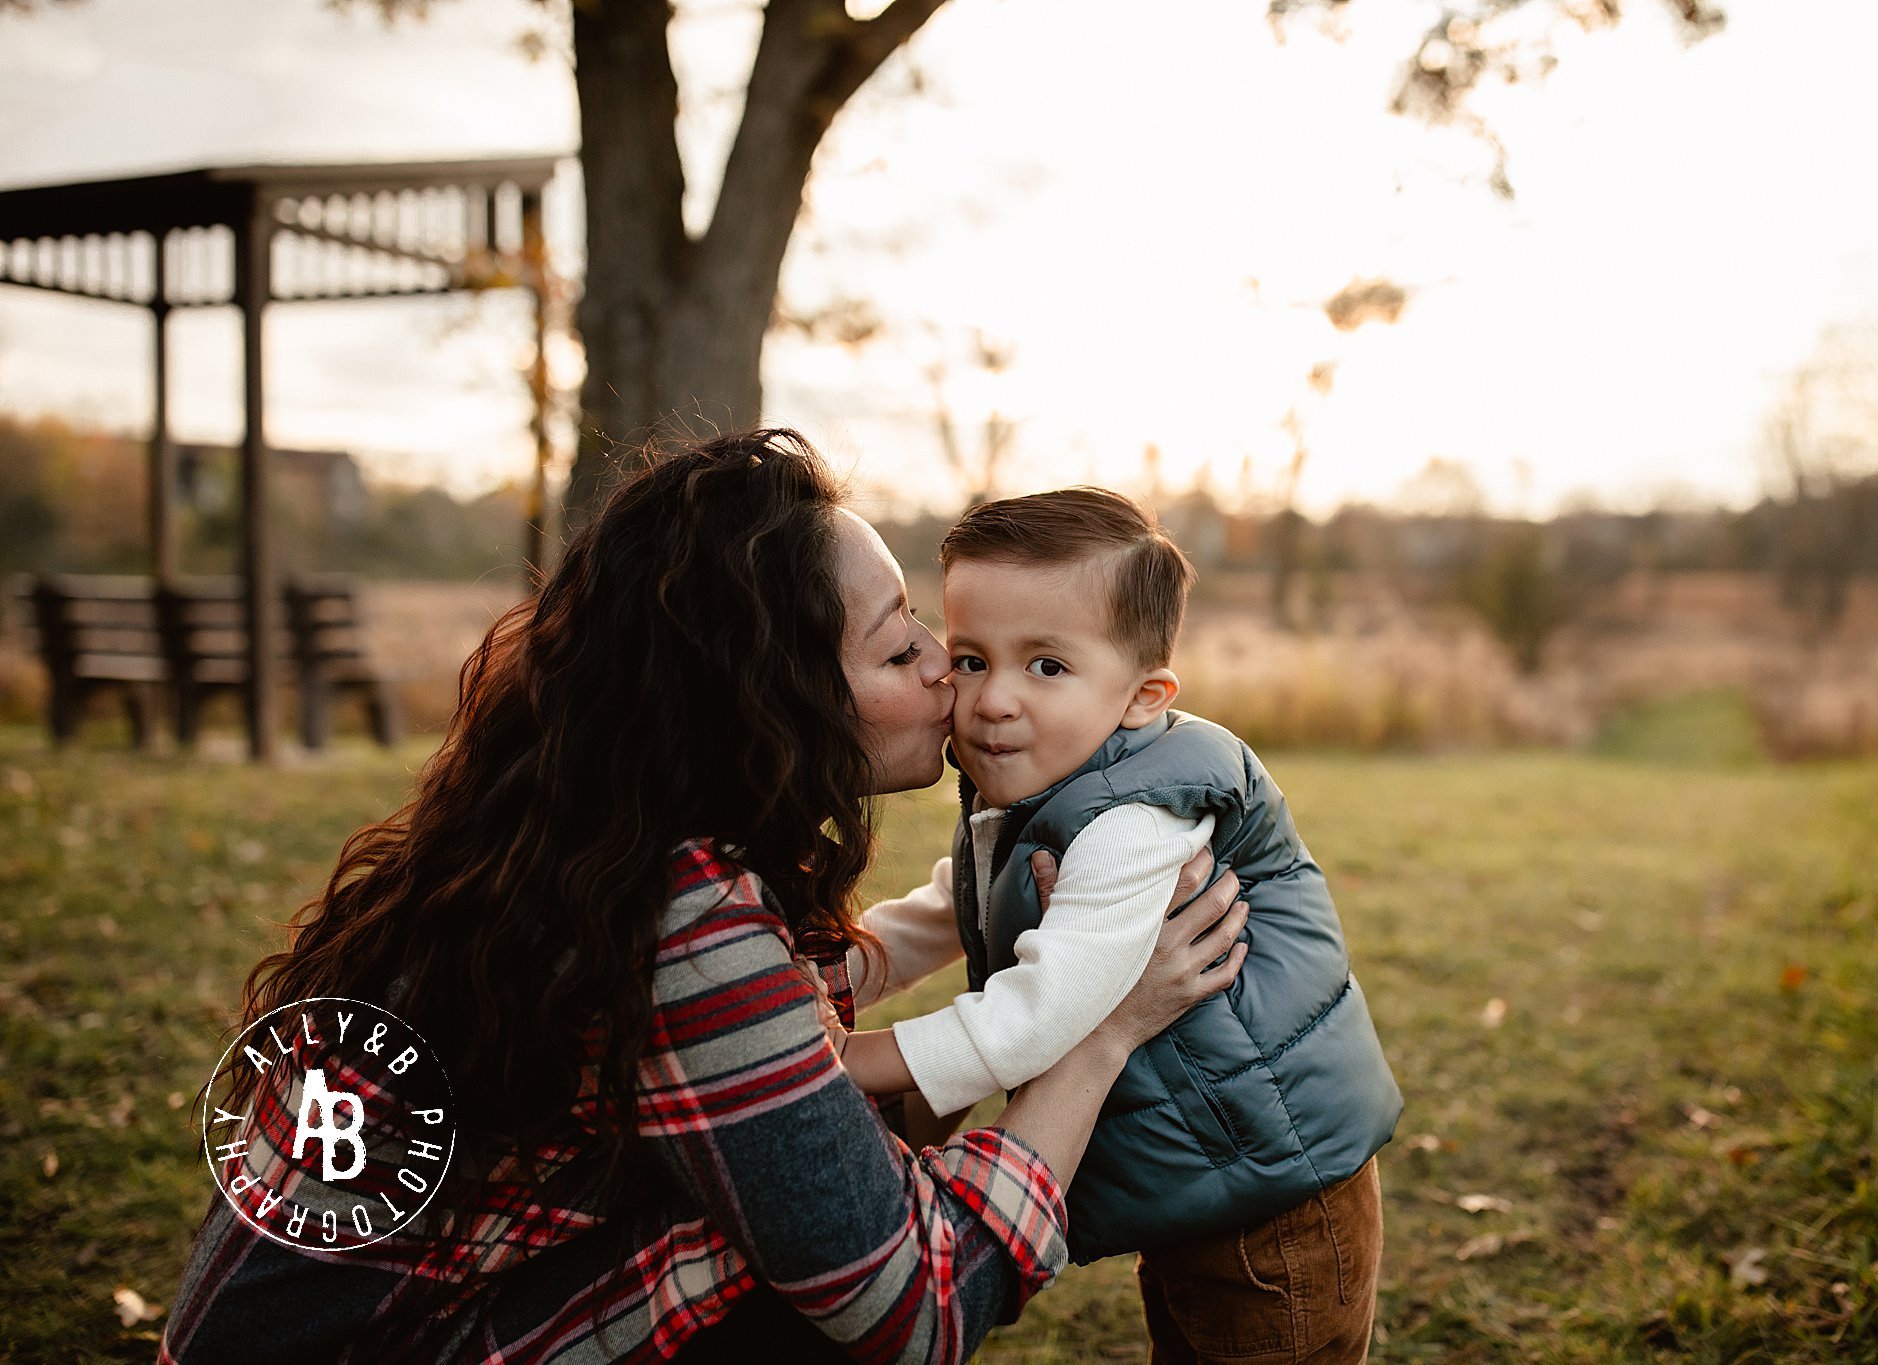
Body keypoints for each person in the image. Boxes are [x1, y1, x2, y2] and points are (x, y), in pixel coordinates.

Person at [157, 431, 1249, 1365]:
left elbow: (797, 1088)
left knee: (780, 1201)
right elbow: (912, 1308)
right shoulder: (677, 915)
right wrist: (1099, 1032)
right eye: (900, 643)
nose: (943, 671)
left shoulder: (595, 843)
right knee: (786, 1275)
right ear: (774, 700)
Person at [835, 488, 1403, 1364]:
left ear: (1142, 696)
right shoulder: (1058, 783)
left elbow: (1041, 1011)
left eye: (1047, 667)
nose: (993, 700)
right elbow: (958, 901)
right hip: (1209, 1176)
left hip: (1274, 1203)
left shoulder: (1134, 821)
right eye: (974, 658)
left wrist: (847, 1060)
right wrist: (852, 965)